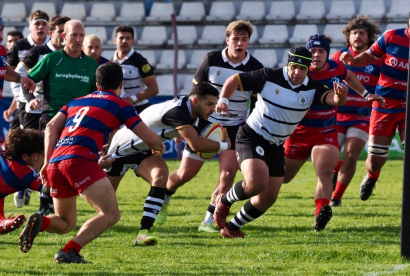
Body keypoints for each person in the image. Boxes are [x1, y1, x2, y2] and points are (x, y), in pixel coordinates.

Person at [19, 62, 165, 263]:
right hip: (79, 161)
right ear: (121, 84)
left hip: (55, 162)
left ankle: (41, 222)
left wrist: (47, 160)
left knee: (66, 222)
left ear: (97, 83)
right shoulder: (121, 104)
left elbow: (52, 125)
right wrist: (159, 146)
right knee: (110, 213)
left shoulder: (76, 102)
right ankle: (69, 251)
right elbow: (151, 138)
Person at [213, 47, 347, 238]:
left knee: (269, 197)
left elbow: (333, 99)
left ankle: (232, 227)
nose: (297, 72)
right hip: (252, 135)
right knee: (256, 183)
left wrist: (341, 95)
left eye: (302, 68)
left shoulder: (313, 87)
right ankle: (224, 202)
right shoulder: (269, 75)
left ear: (308, 68)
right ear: (288, 64)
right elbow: (235, 79)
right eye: (294, 67)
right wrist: (224, 99)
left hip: (276, 144)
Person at [156, 20, 264, 233]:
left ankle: (208, 220)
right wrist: (184, 125)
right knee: (185, 174)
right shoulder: (212, 59)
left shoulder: (255, 68)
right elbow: (194, 96)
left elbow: (255, 104)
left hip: (234, 128)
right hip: (205, 123)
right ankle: (164, 196)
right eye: (235, 39)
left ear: (249, 42)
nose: (239, 43)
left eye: (244, 39)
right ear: (227, 40)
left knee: (228, 174)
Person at [105, 81, 230, 244]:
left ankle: (144, 231)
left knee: (160, 176)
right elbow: (196, 144)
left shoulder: (190, 111)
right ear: (195, 101)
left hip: (143, 150)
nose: (213, 109)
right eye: (209, 104)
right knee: (105, 206)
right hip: (119, 151)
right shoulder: (179, 111)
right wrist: (226, 145)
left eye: (214, 104)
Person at [283, 34, 384, 231]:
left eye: (321, 51)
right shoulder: (296, 72)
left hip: (327, 129)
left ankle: (322, 209)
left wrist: (365, 94)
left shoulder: (336, 67)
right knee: (284, 177)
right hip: (299, 131)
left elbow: (349, 75)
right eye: (312, 51)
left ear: (327, 54)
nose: (316, 55)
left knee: (325, 169)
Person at [340, 19, 410, 201]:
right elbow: (370, 56)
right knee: (374, 163)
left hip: (406, 106)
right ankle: (371, 176)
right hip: (384, 105)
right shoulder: (392, 36)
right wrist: (354, 61)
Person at [12, 15, 71, 210]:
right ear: (53, 33)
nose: (64, 35)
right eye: (61, 31)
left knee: (54, 156)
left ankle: (48, 200)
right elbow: (22, 78)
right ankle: (25, 185)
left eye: (67, 32)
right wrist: (30, 99)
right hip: (34, 109)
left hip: (58, 111)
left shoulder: (71, 56)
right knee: (34, 154)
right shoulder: (37, 52)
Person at [330, 16, 382, 207]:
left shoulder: (377, 60)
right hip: (336, 115)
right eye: (354, 33)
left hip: (362, 115)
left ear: (369, 38)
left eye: (362, 33)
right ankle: (336, 169)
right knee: (330, 155)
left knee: (352, 153)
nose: (357, 36)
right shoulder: (338, 56)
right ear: (348, 37)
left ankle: (336, 197)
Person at [23, 19, 98, 131]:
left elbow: (96, 94)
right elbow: (27, 79)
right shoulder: (51, 59)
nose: (78, 39)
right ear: (64, 36)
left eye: (81, 35)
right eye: (74, 35)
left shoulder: (92, 64)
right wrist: (31, 99)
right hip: (52, 119)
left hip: (79, 120)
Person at [0, 13, 36, 148]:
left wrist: (21, 78)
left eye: (1, 30)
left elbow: (4, 70)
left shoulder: (0, 50)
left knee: (3, 149)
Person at [7, 10, 50, 130]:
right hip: (24, 98)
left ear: (48, 27)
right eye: (37, 23)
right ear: (30, 27)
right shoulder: (19, 45)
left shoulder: (53, 46)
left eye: (44, 23)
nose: (40, 26)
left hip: (48, 99)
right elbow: (10, 71)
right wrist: (18, 95)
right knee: (26, 135)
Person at [0, 128, 44, 235]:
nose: (39, 157)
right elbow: (49, 187)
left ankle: (0, 221)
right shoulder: (23, 174)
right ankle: (0, 222)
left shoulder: (5, 147)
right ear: (25, 156)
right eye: (37, 154)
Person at [111, 25, 158, 113]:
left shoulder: (140, 61)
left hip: (140, 109)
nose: (124, 41)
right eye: (121, 38)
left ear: (133, 41)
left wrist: (133, 98)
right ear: (115, 41)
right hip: (118, 109)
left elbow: (154, 89)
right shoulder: (111, 62)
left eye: (128, 38)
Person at [3, 30, 24, 129]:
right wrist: (11, 109)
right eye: (10, 41)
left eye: (16, 40)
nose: (13, 44)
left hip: (31, 108)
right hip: (21, 108)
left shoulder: (27, 62)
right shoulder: (8, 63)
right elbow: (19, 93)